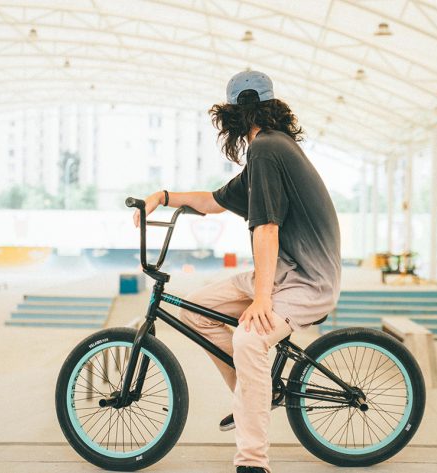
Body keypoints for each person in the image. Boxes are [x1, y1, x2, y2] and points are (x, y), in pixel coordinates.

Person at [132, 70, 341, 473]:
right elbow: (213, 201)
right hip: (284, 272)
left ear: (232, 116)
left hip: (309, 281)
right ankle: (253, 398)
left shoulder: (267, 150)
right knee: (194, 310)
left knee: (248, 340)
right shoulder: (268, 150)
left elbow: (266, 227)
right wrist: (163, 195)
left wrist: (261, 299)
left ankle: (252, 461)